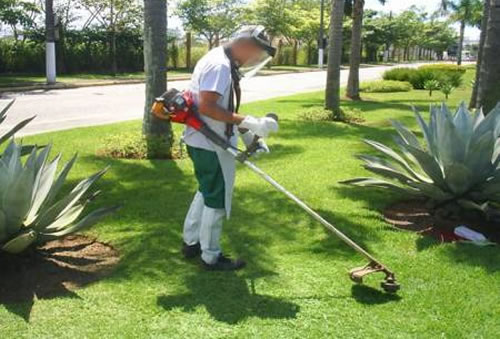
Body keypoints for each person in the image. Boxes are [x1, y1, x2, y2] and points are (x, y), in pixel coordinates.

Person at [181, 25, 278, 271]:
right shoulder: (220, 66)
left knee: (205, 191)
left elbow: (222, 107)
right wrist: (249, 121)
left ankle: (191, 243)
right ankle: (210, 257)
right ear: (245, 44)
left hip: (203, 140)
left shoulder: (221, 59)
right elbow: (208, 107)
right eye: (258, 51)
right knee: (217, 199)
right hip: (210, 144)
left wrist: (246, 134)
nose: (256, 58)